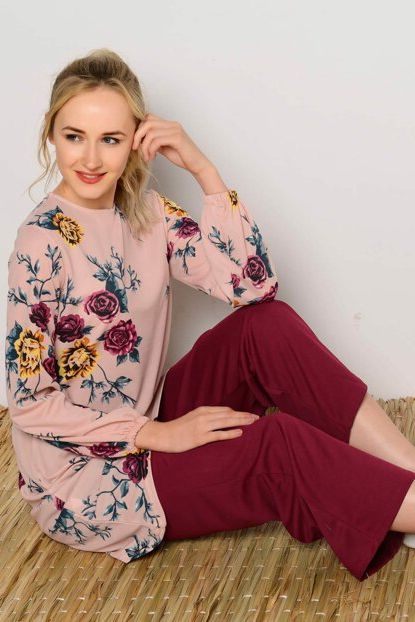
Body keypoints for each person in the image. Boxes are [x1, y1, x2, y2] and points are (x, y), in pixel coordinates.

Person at [5, 47, 415, 582]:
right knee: (277, 445)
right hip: (87, 482)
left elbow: (254, 287)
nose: (90, 159)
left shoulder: (147, 212)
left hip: (151, 416)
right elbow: (30, 404)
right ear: (50, 133)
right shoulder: (40, 245)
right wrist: (155, 435)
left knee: (266, 327)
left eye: (110, 139)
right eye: (74, 136)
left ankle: (409, 476)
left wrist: (204, 169)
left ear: (137, 140)